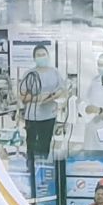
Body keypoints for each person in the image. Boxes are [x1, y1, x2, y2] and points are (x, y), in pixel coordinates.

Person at [17, 44, 70, 188]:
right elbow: (23, 97)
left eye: (43, 54)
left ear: (48, 55)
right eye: (38, 55)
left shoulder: (54, 72)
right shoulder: (29, 74)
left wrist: (54, 96)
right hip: (32, 116)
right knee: (32, 145)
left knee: (45, 145)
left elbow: (63, 90)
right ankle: (30, 174)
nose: (42, 57)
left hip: (49, 115)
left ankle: (42, 176)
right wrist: (38, 97)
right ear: (34, 58)